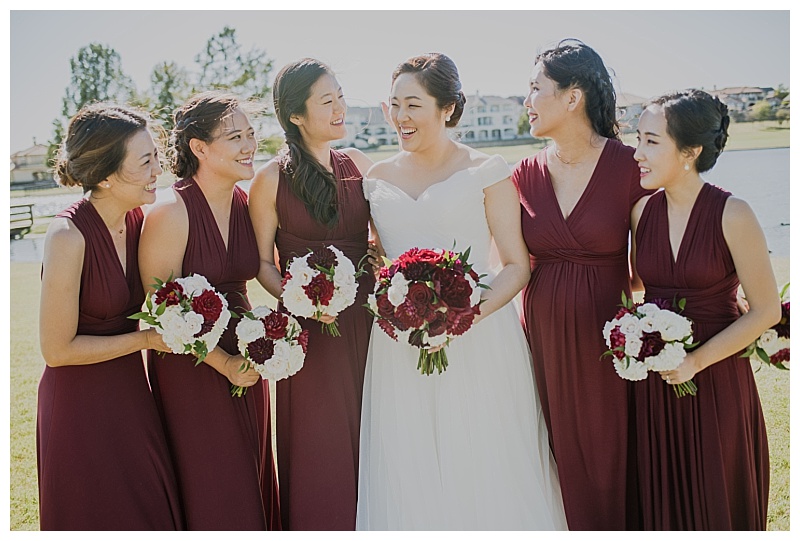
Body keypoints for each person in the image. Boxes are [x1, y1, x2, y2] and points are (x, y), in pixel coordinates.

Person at [356, 52, 567, 531]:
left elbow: (515, 267)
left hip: (479, 336)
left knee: (483, 454)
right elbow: (378, 256)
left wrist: (460, 317)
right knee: (409, 459)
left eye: (413, 104)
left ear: (447, 108)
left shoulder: (488, 171)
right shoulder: (376, 180)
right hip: (400, 346)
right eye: (394, 105)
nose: (400, 117)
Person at [512, 39, 652, 530]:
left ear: (572, 98)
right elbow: (505, 265)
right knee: (551, 456)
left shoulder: (632, 167)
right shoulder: (520, 176)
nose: (525, 101)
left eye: (535, 88)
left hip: (609, 344)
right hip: (540, 344)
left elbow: (654, 264)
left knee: (612, 457)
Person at [631, 89, 778, 530]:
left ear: (690, 151)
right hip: (655, 385)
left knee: (719, 499)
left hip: (717, 382)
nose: (637, 153)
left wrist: (696, 360)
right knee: (665, 500)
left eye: (651, 142)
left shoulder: (734, 213)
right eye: (637, 138)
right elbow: (637, 288)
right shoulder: (641, 213)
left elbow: (766, 310)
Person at [37, 103, 183, 530]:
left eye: (156, 156)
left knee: (147, 509)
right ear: (105, 176)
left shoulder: (143, 221)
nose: (159, 168)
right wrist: (144, 341)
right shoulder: (67, 236)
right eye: (145, 161)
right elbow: (56, 349)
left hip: (131, 395)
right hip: (78, 405)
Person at [139, 91, 280, 530]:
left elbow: (263, 269)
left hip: (245, 358)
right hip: (192, 368)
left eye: (251, 134)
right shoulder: (171, 210)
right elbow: (159, 310)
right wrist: (223, 364)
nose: (248, 146)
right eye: (234, 137)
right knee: (214, 482)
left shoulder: (248, 203)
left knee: (253, 471)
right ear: (198, 148)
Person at [248, 58, 375, 530]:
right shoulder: (269, 179)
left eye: (341, 95)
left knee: (372, 434)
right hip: (307, 339)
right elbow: (262, 262)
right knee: (318, 446)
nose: (340, 107)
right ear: (296, 115)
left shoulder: (360, 165)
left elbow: (381, 240)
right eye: (327, 101)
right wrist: (301, 298)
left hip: (364, 326)